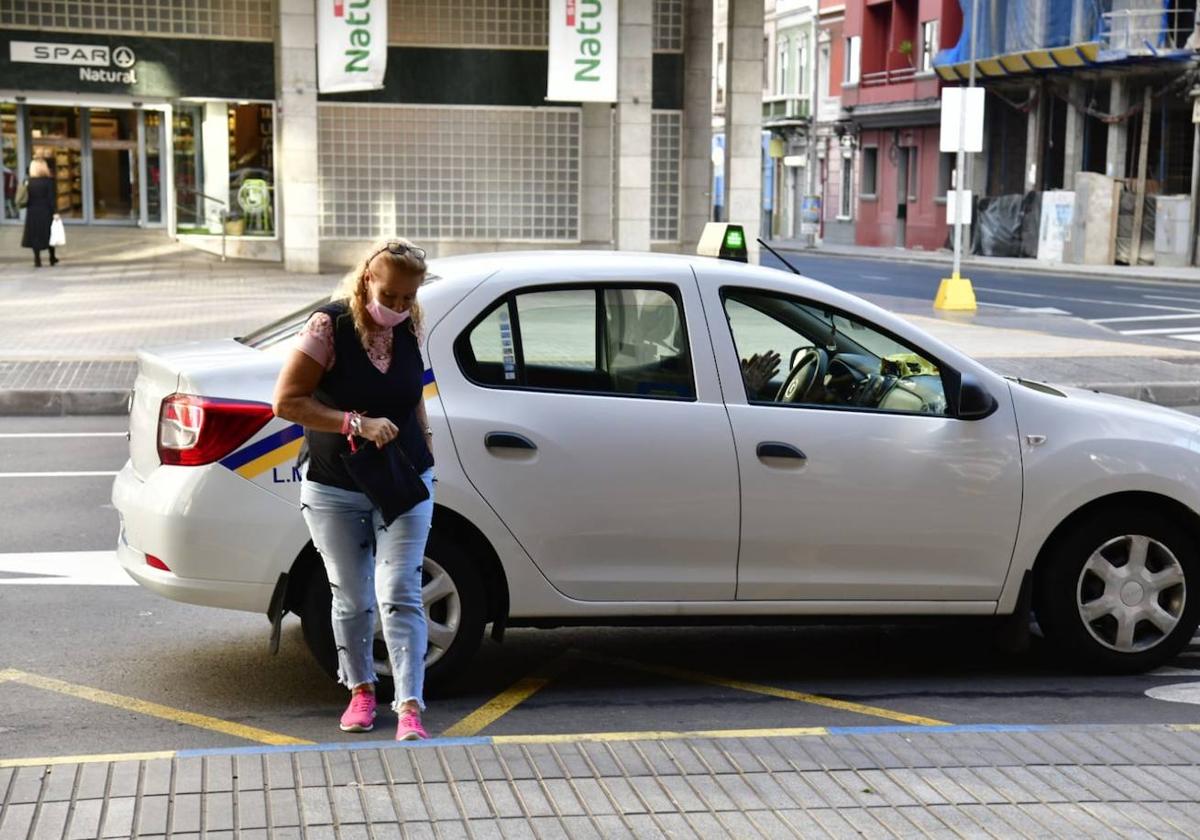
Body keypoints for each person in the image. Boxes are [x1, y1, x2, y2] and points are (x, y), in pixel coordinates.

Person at [273, 238, 436, 741]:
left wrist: (426, 448)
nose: (398, 307)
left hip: (403, 480)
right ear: (366, 279)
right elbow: (286, 401)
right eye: (389, 295)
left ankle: (409, 705)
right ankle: (361, 691)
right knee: (351, 596)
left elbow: (413, 396)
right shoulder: (329, 326)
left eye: (408, 297)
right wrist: (353, 423)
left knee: (400, 592)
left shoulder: (410, 324)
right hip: (335, 485)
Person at [21, 158, 58, 268]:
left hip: (32, 211)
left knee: (34, 234)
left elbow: (25, 197)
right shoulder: (49, 181)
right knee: (49, 234)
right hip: (46, 210)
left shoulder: (27, 181)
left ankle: (37, 259)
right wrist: (55, 212)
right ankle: (52, 257)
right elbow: (51, 198)